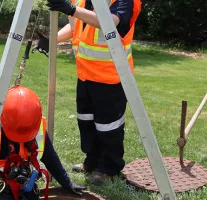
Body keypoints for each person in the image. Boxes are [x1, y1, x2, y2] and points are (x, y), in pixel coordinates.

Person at [33, 0, 141, 185]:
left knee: (108, 127)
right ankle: (91, 161)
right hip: (85, 74)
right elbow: (77, 25)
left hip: (111, 76)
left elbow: (109, 21)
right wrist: (52, 39)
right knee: (86, 122)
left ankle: (109, 168)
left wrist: (72, 10)